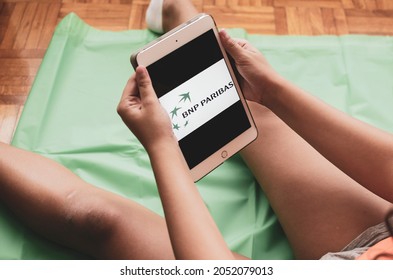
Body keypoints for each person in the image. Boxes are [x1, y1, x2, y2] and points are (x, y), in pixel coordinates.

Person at [0, 0, 392, 260]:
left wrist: (162, 147)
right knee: (245, 109)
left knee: (95, 221)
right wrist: (275, 92)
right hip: (376, 238)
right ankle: (177, 10)